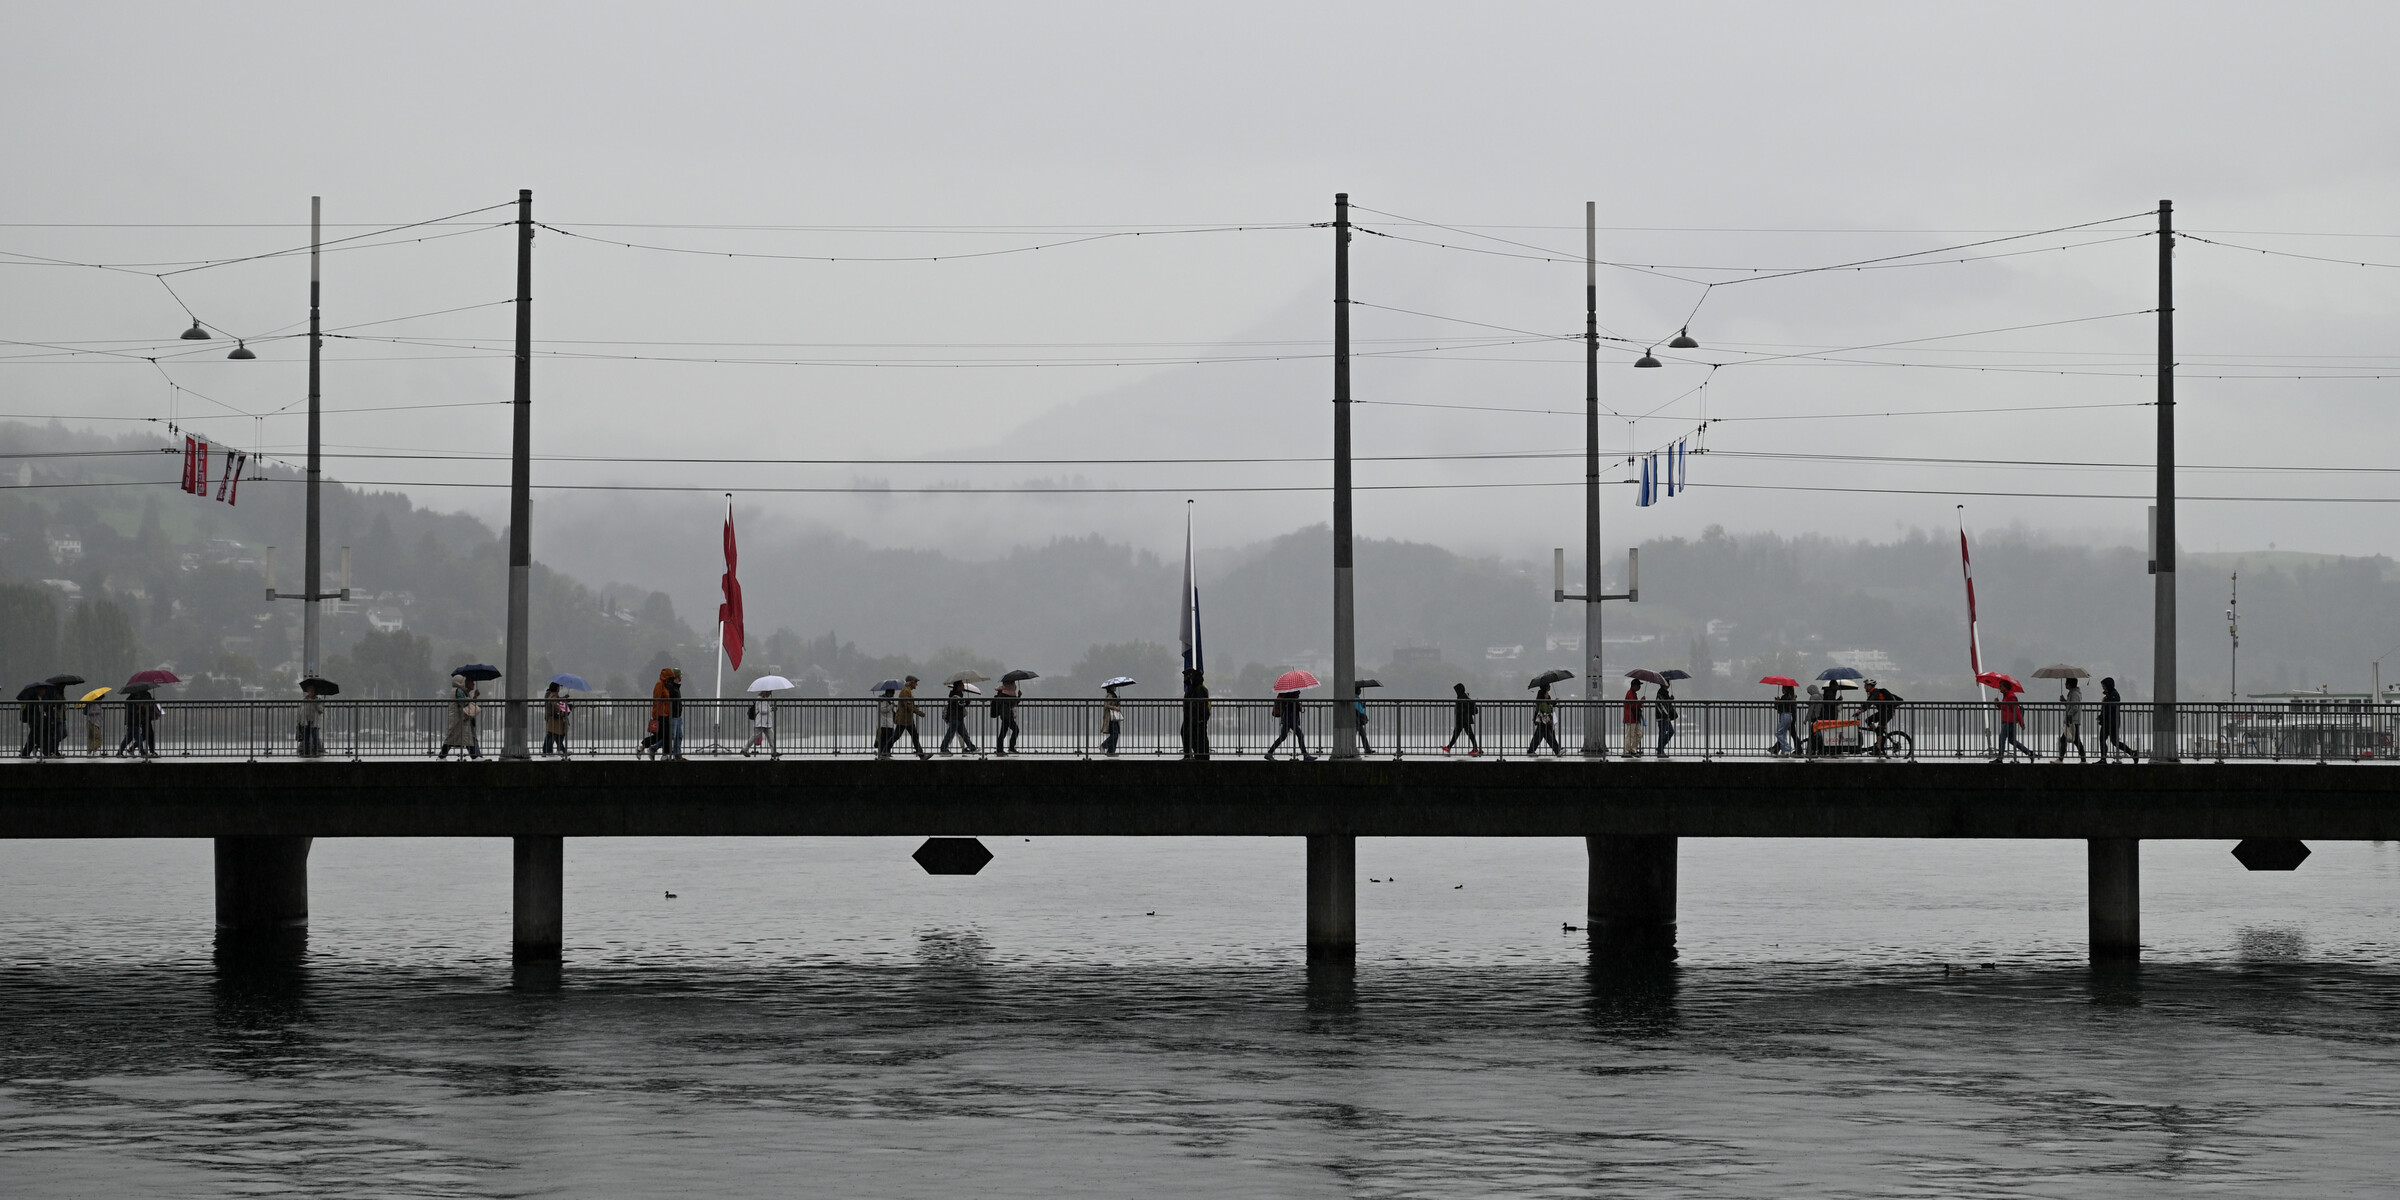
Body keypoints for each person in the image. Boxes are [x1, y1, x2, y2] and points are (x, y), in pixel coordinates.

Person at [2098, 676, 2139, 762]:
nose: (2103, 688)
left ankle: (2132, 752)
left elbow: (2110, 708)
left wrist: (2104, 703)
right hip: (2107, 722)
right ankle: (2103, 758)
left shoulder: (2114, 695)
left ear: (2108, 685)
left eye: (2104, 686)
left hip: (2111, 722)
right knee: (2103, 739)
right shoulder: (2109, 695)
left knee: (2114, 741)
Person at [440, 674, 482, 759]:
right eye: (463, 681)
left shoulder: (457, 690)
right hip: (459, 718)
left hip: (458, 718)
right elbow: (463, 703)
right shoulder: (458, 691)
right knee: (458, 738)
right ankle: (475, 757)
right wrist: (468, 700)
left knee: (463, 738)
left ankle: (476, 757)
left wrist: (472, 698)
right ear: (460, 682)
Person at [1992, 683, 2035, 762]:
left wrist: (2021, 723)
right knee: (2012, 740)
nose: (1999, 688)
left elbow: (2016, 710)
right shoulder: (2006, 696)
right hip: (2007, 721)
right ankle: (2029, 752)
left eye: (2001, 686)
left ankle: (2000, 758)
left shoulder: (2011, 696)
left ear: (2006, 687)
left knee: (2002, 738)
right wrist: (1998, 704)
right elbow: (2004, 708)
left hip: (2009, 721)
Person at [1266, 688, 1312, 760]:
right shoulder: (1291, 694)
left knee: (1284, 737)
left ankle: (1269, 753)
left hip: (1288, 719)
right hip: (1290, 719)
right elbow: (1292, 706)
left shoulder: (1287, 693)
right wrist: (1298, 704)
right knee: (1299, 735)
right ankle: (1305, 755)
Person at [940, 680, 978, 755]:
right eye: (962, 685)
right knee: (950, 734)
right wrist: (966, 702)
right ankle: (943, 748)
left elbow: (961, 704)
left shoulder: (958, 694)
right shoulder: (954, 695)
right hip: (955, 717)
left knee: (964, 734)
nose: (963, 687)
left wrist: (966, 702)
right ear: (958, 686)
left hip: (959, 717)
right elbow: (960, 704)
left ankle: (972, 748)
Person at [641, 668, 673, 759]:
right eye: (670, 678)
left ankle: (665, 754)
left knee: (666, 735)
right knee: (661, 735)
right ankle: (644, 746)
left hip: (666, 714)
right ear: (667, 677)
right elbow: (656, 700)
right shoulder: (659, 685)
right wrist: (655, 715)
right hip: (660, 714)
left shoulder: (665, 686)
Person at [893, 676, 927, 759]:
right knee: (896, 736)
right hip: (904, 719)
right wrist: (919, 712)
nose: (916, 684)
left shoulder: (908, 691)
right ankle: (884, 752)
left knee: (914, 735)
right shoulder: (906, 691)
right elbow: (908, 706)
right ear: (911, 683)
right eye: (915, 682)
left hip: (907, 719)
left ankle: (921, 755)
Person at [119, 687, 159, 757]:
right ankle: (143, 752)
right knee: (143, 736)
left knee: (131, 738)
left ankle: (125, 751)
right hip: (137, 720)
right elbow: (135, 710)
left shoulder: (141, 696)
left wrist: (146, 705)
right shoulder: (132, 699)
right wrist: (142, 706)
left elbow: (140, 708)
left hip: (138, 720)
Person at [1181, 669, 1211, 760]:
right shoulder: (1191, 688)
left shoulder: (1199, 689)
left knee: (1199, 738)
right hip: (1191, 717)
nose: (1184, 679)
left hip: (1197, 718)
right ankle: (1190, 755)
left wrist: (1198, 718)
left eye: (1186, 677)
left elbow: (1200, 705)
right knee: (1187, 733)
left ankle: (1201, 757)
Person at [1443, 682, 1480, 755]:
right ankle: (1448, 747)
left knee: (1462, 734)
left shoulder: (1463, 698)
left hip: (1463, 719)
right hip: (1464, 719)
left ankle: (1475, 749)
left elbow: (1463, 709)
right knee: (1462, 734)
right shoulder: (1463, 697)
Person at [2057, 677, 2088, 762]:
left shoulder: (2074, 694)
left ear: (2069, 684)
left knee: (2069, 740)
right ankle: (2083, 759)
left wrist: (2068, 715)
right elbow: (2071, 705)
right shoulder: (2073, 693)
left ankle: (2061, 759)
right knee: (2074, 740)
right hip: (2072, 720)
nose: (2065, 684)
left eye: (2066, 683)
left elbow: (2074, 707)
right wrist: (2064, 701)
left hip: (2073, 720)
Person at [1528, 684, 1562, 756]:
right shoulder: (1542, 697)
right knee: (1545, 736)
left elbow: (1549, 706)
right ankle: (1557, 750)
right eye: (1548, 685)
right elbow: (1546, 708)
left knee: (1546, 735)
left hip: (1546, 720)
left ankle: (1557, 750)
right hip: (1543, 719)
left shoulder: (1545, 696)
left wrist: (1553, 703)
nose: (1549, 686)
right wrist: (1552, 703)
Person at [992, 679, 1023, 756]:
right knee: (1015, 730)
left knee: (1003, 732)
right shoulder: (1006, 694)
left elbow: (1013, 703)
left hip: (1005, 715)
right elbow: (1014, 703)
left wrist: (1019, 696)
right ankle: (1010, 748)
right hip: (1007, 715)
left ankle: (1000, 750)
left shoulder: (1003, 693)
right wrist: (1018, 696)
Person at [743, 687, 775, 757]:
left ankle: (773, 752)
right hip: (761, 722)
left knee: (771, 737)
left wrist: (769, 707)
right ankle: (744, 749)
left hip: (765, 722)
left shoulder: (763, 699)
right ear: (765, 692)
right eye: (769, 692)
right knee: (755, 736)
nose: (770, 694)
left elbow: (764, 709)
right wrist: (771, 708)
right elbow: (762, 710)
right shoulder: (761, 699)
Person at [543, 682, 572, 757]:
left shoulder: (552, 695)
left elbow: (557, 702)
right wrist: (563, 710)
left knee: (553, 735)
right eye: (558, 687)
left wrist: (564, 698)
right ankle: (550, 751)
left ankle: (558, 750)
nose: (559, 688)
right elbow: (556, 705)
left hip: (553, 719)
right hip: (555, 719)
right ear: (556, 688)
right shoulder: (553, 696)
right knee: (553, 735)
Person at [297, 682, 325, 758]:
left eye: (312, 691)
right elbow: (302, 711)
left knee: (315, 737)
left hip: (314, 721)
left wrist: (317, 704)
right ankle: (306, 752)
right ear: (307, 691)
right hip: (306, 721)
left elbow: (321, 710)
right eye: (309, 691)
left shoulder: (318, 700)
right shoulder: (304, 700)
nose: (311, 692)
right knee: (306, 737)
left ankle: (315, 752)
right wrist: (301, 720)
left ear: (314, 691)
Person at [663, 667, 686, 759]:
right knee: (671, 735)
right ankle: (654, 747)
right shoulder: (671, 687)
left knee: (679, 736)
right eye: (680, 675)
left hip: (678, 715)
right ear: (677, 676)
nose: (681, 676)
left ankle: (677, 755)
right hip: (673, 715)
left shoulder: (676, 686)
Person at [1622, 679, 1646, 758]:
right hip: (1631, 717)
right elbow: (1633, 705)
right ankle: (1627, 751)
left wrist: (1640, 702)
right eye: (1639, 685)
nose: (1639, 687)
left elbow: (1635, 705)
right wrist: (1640, 702)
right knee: (1630, 735)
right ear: (1635, 686)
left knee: (1639, 734)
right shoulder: (1630, 693)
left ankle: (1632, 750)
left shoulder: (1633, 693)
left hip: (1634, 717)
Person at [1771, 684, 1798, 756]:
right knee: (1783, 733)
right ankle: (1784, 752)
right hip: (1789, 716)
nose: (1782, 689)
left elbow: (1779, 708)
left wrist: (1777, 702)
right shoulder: (1790, 697)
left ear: (1786, 689)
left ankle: (1787, 747)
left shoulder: (1785, 697)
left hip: (1785, 715)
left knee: (1778, 733)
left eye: (1783, 688)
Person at [875, 684, 899, 759]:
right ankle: (883, 753)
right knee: (884, 739)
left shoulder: (887, 700)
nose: (892, 695)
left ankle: (887, 752)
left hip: (889, 723)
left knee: (889, 738)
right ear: (888, 693)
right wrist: (891, 706)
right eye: (892, 694)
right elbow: (883, 709)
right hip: (883, 723)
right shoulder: (882, 700)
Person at [1099, 683, 1123, 757]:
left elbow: (1114, 704)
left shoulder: (1113, 695)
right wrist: (1115, 708)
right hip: (1110, 718)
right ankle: (1103, 745)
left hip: (1114, 718)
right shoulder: (1109, 695)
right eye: (1113, 686)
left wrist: (1118, 701)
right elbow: (1107, 705)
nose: (1115, 687)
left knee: (1116, 733)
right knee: (1114, 734)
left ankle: (1111, 751)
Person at [1654, 683, 1678, 758]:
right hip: (1662, 717)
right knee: (1662, 733)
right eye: (1667, 683)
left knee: (1671, 731)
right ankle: (1660, 751)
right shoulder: (1660, 693)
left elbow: (1665, 704)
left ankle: (1660, 747)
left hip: (1665, 716)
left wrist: (1670, 699)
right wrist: (1666, 716)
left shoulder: (1664, 692)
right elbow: (1661, 705)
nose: (1669, 684)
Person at [1351, 682, 1373, 756]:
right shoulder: (1355, 698)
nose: (1360, 691)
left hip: (1358, 718)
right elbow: (1357, 709)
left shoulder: (1357, 698)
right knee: (1358, 733)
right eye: (1359, 690)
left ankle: (1367, 749)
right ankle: (1353, 748)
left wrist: (1362, 705)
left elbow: (1359, 708)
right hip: (1356, 718)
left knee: (1363, 734)